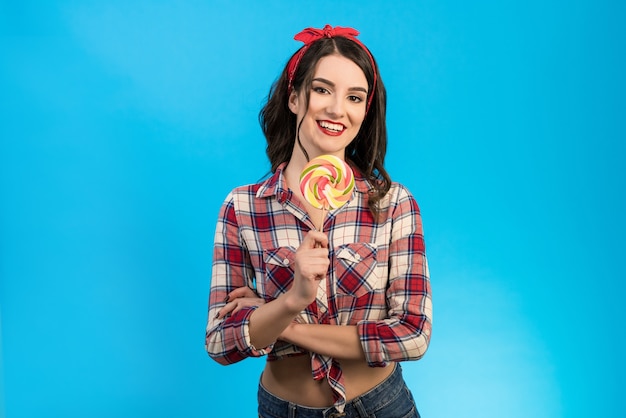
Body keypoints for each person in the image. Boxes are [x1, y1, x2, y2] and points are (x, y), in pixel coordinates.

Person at [205, 24, 432, 418]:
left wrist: (280, 320)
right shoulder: (243, 207)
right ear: (295, 97)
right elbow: (221, 342)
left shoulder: (394, 204)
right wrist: (293, 299)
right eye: (322, 90)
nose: (337, 109)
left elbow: (412, 335)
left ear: (365, 110)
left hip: (382, 407)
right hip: (283, 409)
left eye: (355, 97)